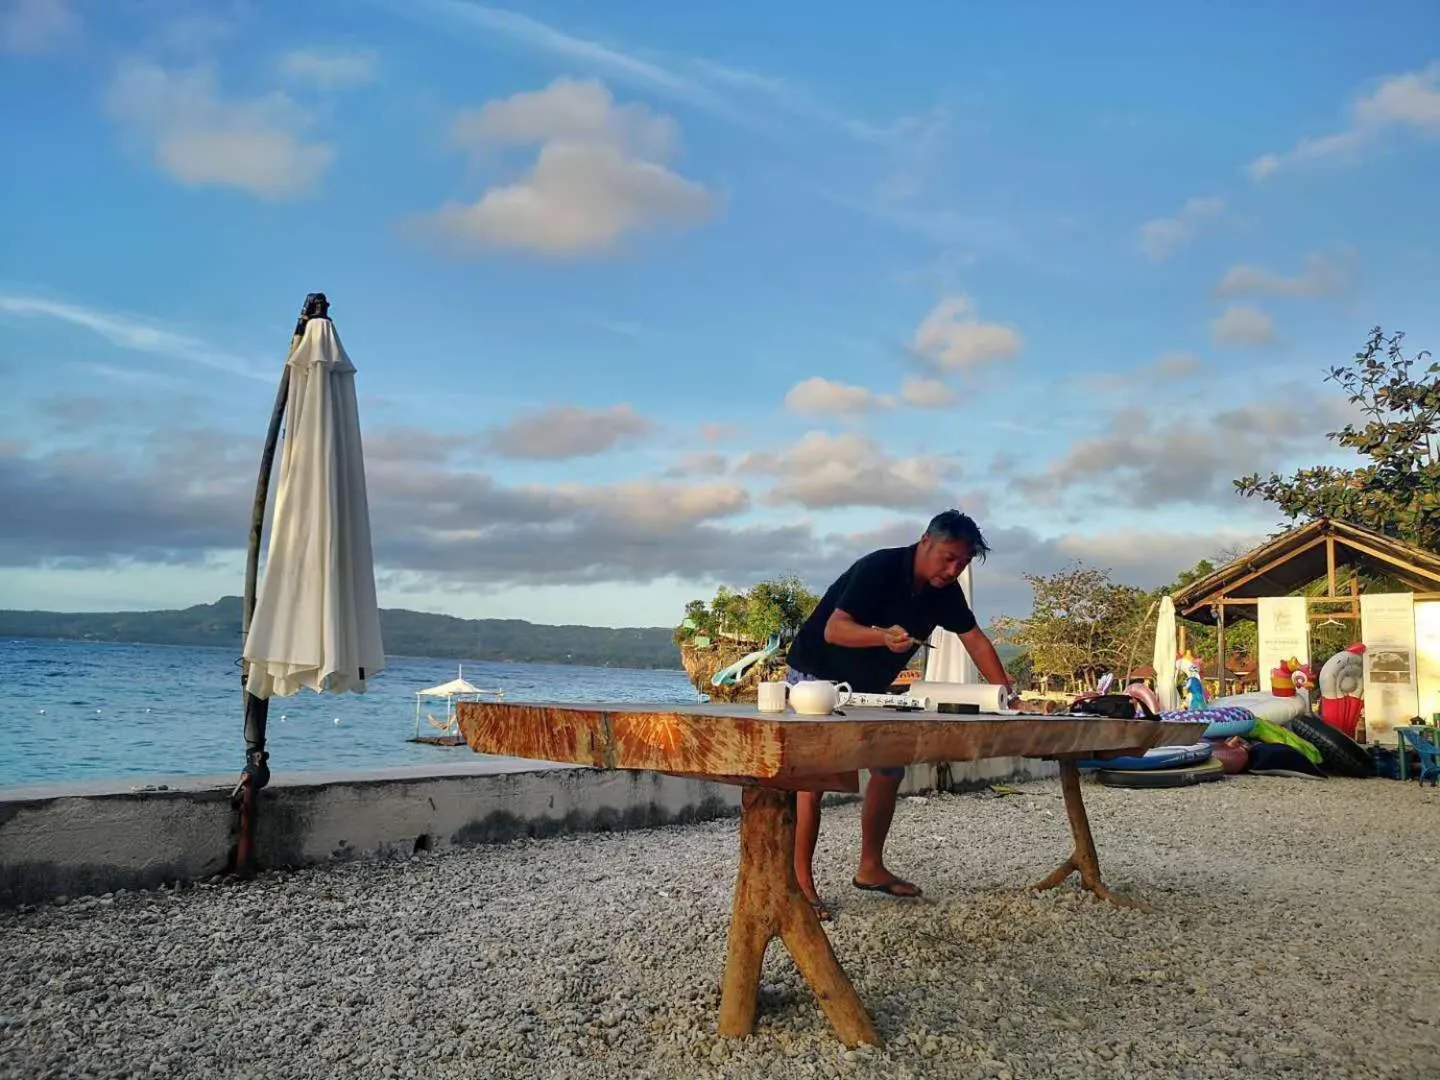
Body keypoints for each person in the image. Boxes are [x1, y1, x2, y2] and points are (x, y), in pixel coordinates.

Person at [784, 509, 1019, 920]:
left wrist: (1007, 694)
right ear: (925, 540)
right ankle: (801, 885)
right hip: (815, 680)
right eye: (947, 558)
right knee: (812, 782)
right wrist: (881, 635)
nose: (952, 570)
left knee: (889, 770)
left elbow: (975, 640)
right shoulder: (879, 567)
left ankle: (870, 868)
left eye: (961, 564)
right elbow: (834, 630)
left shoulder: (944, 592)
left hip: (871, 691)